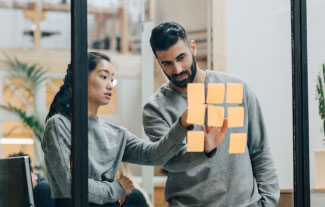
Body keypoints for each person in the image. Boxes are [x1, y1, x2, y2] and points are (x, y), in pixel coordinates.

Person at [41, 52, 227, 207]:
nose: (109, 85)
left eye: (112, 80)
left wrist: (183, 125)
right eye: (103, 76)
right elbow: (69, 186)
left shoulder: (116, 134)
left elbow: (155, 154)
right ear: (81, 79)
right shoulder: (59, 125)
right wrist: (117, 189)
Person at [142, 22, 280, 207]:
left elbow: (260, 150)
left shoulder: (236, 88)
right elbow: (170, 161)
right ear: (158, 62)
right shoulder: (155, 109)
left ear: (192, 47)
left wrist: (268, 202)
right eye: (167, 63)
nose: (177, 69)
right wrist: (204, 150)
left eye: (181, 57)